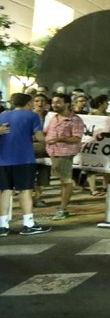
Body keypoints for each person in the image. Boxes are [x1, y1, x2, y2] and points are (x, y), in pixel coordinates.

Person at [0, 93, 51, 236]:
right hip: (24, 159)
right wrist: (51, 141)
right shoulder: (32, 116)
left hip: (3, 159)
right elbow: (40, 137)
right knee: (25, 191)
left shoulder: (2, 116)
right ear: (29, 103)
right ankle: (28, 224)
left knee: (5, 191)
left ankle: (2, 226)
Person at [44, 93, 85, 220]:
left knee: (65, 182)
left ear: (67, 104)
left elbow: (76, 138)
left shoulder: (75, 120)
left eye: (58, 102)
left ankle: (63, 208)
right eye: (53, 102)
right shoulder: (53, 118)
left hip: (65, 153)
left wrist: (59, 139)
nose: (54, 105)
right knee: (62, 181)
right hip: (51, 152)